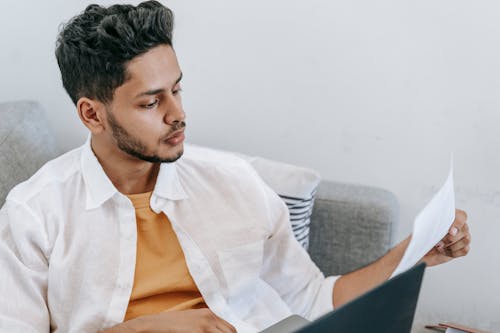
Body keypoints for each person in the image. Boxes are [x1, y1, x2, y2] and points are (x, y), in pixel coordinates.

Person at [0, 2, 471, 333]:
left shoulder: (234, 183)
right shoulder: (34, 215)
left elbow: (317, 301)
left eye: (177, 90)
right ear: (91, 114)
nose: (177, 113)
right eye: (150, 101)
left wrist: (416, 253)